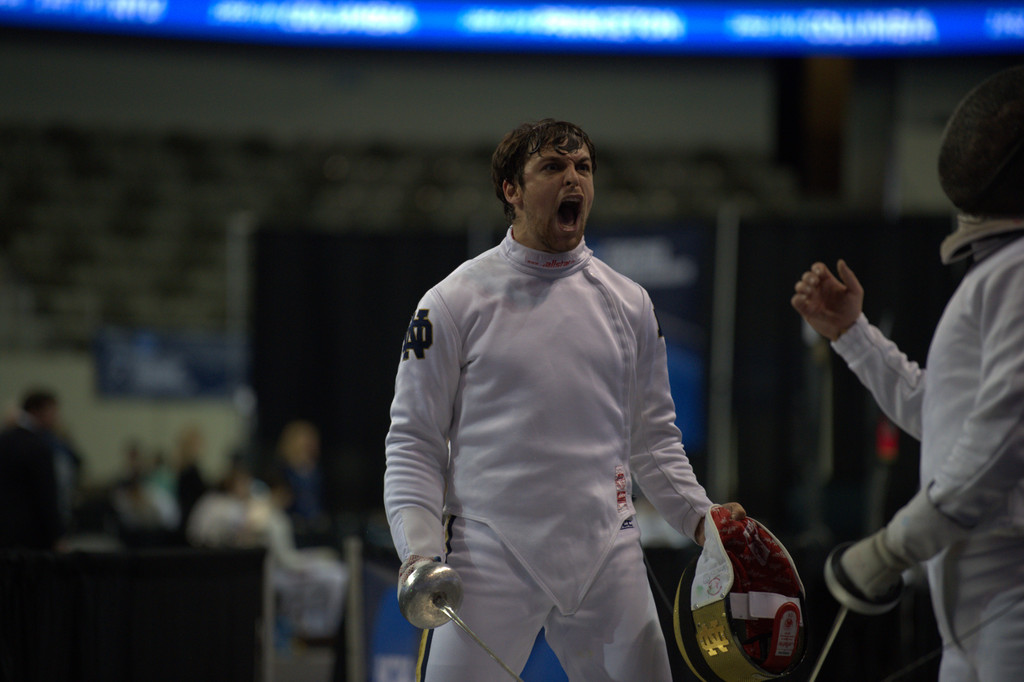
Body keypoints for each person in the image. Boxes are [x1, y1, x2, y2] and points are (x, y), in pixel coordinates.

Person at [383, 119, 744, 681]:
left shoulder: (630, 304)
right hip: (488, 552)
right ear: (512, 190)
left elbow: (653, 441)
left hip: (606, 552)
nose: (573, 179)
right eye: (552, 167)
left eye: (583, 168)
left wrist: (704, 520)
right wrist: (420, 552)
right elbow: (414, 441)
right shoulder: (452, 303)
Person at [791, 65, 1024, 681]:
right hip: (973, 602)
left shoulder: (1017, 271)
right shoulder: (1000, 271)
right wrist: (853, 335)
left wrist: (895, 546)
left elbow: (1004, 437)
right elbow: (947, 417)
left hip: (1008, 591)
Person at [0, 390, 66, 550]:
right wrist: (56, 534)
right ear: (37, 411)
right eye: (52, 412)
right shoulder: (39, 447)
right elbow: (46, 495)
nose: (56, 417)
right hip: (33, 534)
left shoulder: (4, 439)